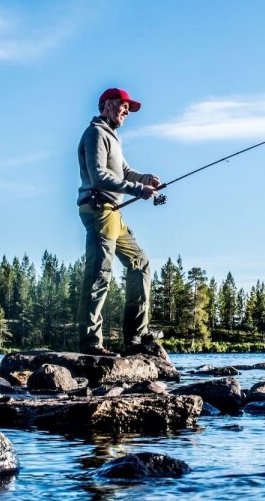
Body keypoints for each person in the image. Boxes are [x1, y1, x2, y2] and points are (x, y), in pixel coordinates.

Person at [76, 87, 162, 356]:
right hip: (100, 210)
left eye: (128, 108)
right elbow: (99, 175)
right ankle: (91, 343)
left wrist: (146, 179)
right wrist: (137, 190)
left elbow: (124, 171)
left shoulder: (113, 137)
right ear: (108, 105)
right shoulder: (95, 134)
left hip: (114, 212)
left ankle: (136, 336)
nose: (127, 111)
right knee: (99, 275)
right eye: (124, 106)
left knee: (141, 263)